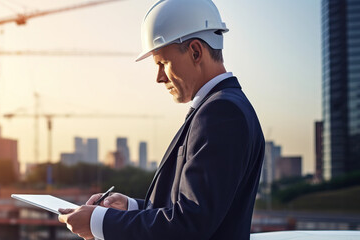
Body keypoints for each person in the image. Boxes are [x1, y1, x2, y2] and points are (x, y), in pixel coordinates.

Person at [58, 0, 265, 239]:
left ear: (196, 52)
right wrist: (131, 208)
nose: (158, 77)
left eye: (162, 63)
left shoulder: (220, 113)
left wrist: (100, 222)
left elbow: (191, 223)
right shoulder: (224, 106)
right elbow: (195, 211)